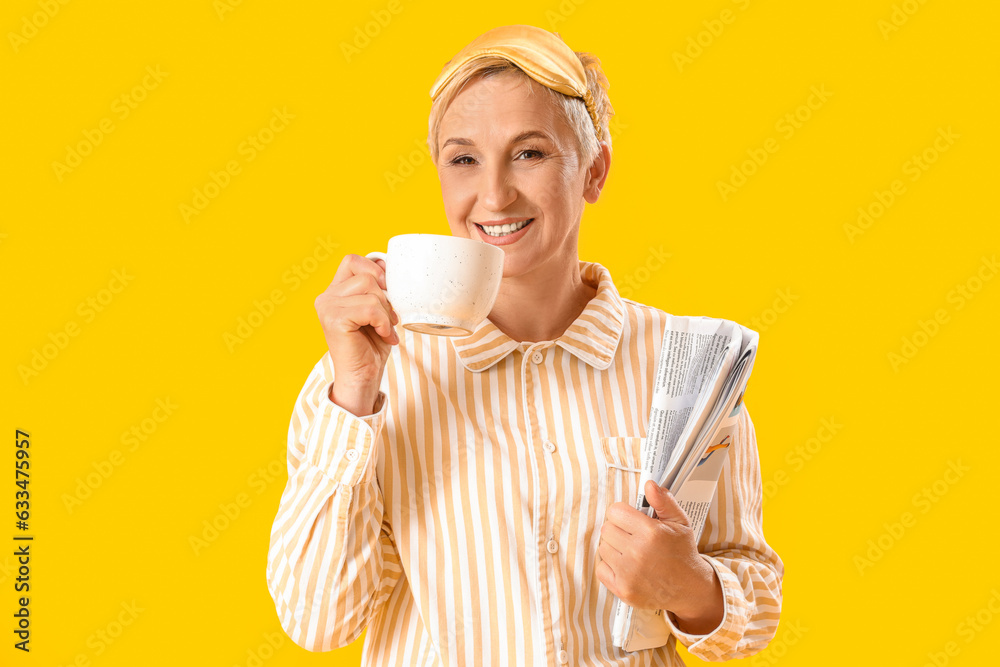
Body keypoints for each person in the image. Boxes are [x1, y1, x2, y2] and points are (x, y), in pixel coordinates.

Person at [266, 24, 783, 666]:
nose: (494, 194)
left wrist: (691, 588)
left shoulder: (689, 367)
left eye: (529, 153)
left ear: (594, 171)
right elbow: (318, 620)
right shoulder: (366, 378)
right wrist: (354, 395)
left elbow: (753, 603)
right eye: (463, 159)